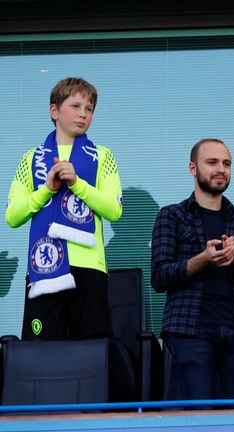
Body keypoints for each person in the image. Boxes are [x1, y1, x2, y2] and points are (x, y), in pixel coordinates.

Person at [151, 138, 234, 400]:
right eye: (212, 162)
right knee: (197, 418)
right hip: (190, 331)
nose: (221, 169)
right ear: (193, 168)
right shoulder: (171, 215)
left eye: (226, 164)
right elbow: (160, 277)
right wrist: (203, 259)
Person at [6, 77, 122, 340]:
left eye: (89, 108)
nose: (83, 114)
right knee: (42, 352)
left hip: (90, 269)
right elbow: (12, 216)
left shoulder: (102, 155)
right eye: (76, 105)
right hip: (43, 267)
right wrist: (47, 189)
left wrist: (78, 183)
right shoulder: (30, 158)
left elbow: (114, 210)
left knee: (92, 351)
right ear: (54, 111)